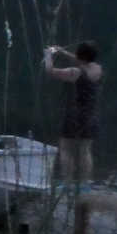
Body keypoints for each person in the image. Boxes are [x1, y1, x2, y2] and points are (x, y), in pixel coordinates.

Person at [44, 41, 102, 185]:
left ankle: (67, 183)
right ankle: (85, 183)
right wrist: (62, 52)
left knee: (65, 148)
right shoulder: (97, 68)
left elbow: (50, 70)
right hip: (90, 115)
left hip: (74, 115)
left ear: (80, 56)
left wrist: (47, 55)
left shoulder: (74, 73)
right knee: (85, 150)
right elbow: (82, 61)